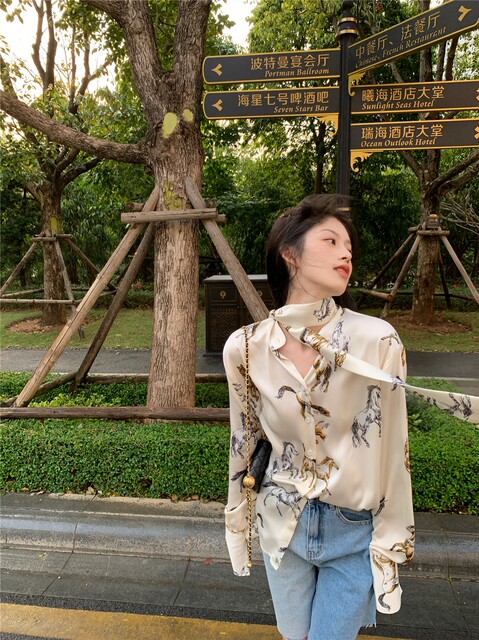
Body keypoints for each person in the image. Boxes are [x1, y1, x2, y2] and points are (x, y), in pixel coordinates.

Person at [223, 194, 414, 640]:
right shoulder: (246, 347)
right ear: (289, 254)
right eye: (330, 241)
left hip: (352, 528)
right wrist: (237, 522)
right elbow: (242, 441)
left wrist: (392, 542)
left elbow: (395, 452)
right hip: (281, 521)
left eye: (348, 246)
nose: (345, 253)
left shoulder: (378, 341)